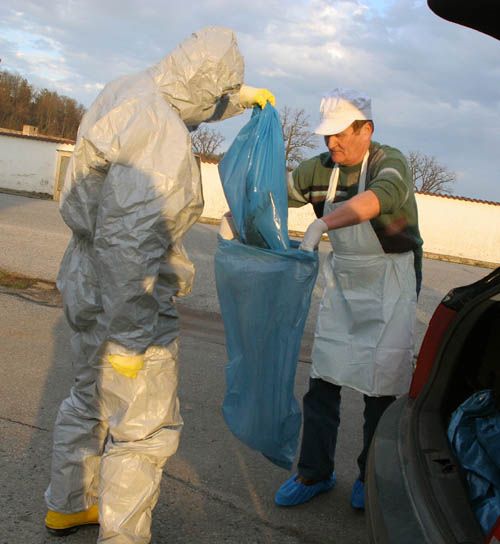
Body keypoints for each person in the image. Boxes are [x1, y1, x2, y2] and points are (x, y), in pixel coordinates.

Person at [44, 26, 274, 543]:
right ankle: (121, 536)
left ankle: (68, 505)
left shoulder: (128, 88)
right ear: (203, 83)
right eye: (218, 93)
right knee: (141, 430)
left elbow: (190, 97)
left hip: (84, 276)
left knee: (87, 397)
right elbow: (130, 244)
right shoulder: (160, 134)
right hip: (129, 296)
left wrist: (238, 100)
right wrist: (130, 336)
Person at [275, 88, 422, 510]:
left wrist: (322, 224)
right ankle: (314, 472)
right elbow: (276, 193)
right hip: (346, 283)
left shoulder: (388, 162)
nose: (331, 144)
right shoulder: (319, 169)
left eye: (340, 135)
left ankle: (368, 477)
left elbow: (380, 199)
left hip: (390, 282)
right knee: (324, 378)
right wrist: (238, 213)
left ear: (366, 130)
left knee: (380, 388)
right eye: (326, 137)